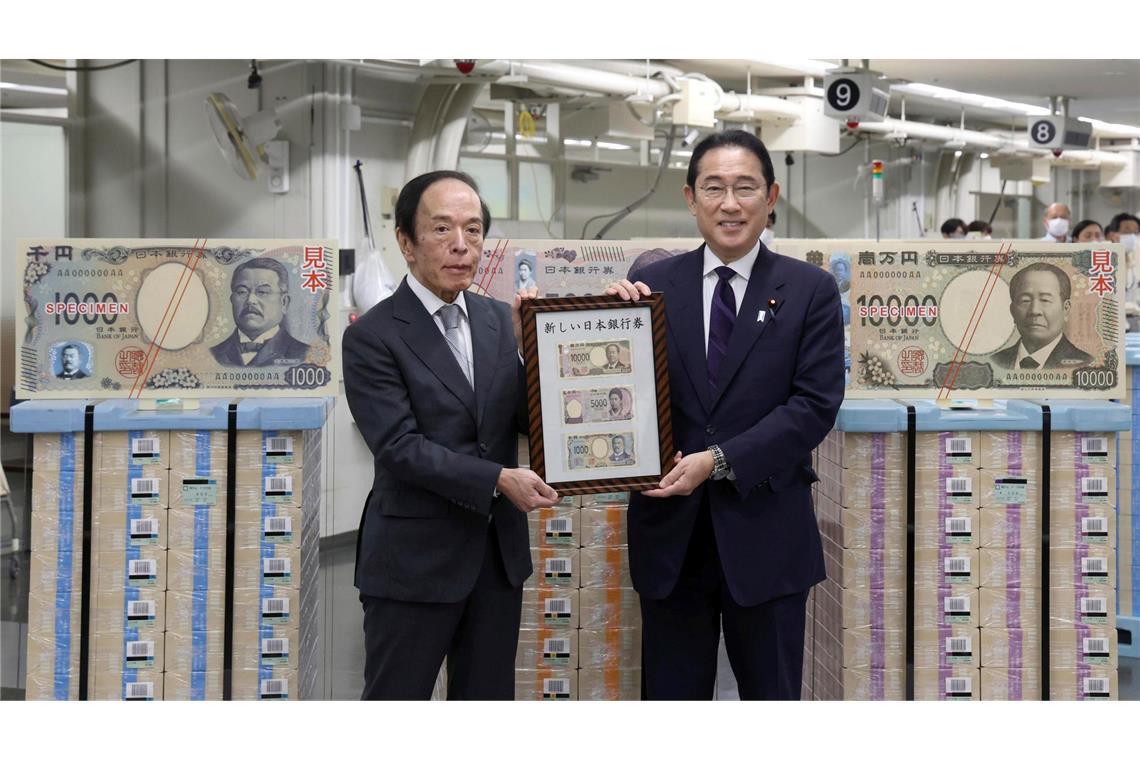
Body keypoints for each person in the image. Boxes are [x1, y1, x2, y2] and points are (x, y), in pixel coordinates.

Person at [606, 129, 844, 700]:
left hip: (767, 535)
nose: (729, 203)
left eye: (745, 187)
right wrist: (609, 330)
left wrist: (716, 461)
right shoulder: (651, 290)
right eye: (714, 188)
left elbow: (814, 407)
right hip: (672, 541)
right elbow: (619, 399)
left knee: (772, 696)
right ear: (691, 198)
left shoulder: (810, 289)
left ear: (772, 196)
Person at [341, 170, 560, 700]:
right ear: (405, 242)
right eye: (442, 230)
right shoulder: (373, 336)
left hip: (495, 559)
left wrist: (539, 352)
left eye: (474, 230)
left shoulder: (495, 320)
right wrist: (498, 479)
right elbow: (399, 447)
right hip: (413, 560)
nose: (461, 245)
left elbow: (526, 421)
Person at [990, 262, 1094, 370]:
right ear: (1012, 311)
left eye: (1045, 300)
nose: (1034, 311)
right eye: (1025, 300)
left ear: (1066, 309)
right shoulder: (996, 361)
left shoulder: (1086, 364)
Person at [210, 257, 311, 367]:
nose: (250, 300)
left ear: (284, 303)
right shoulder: (210, 355)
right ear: (232, 300)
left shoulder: (306, 355)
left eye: (263, 292)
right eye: (242, 292)